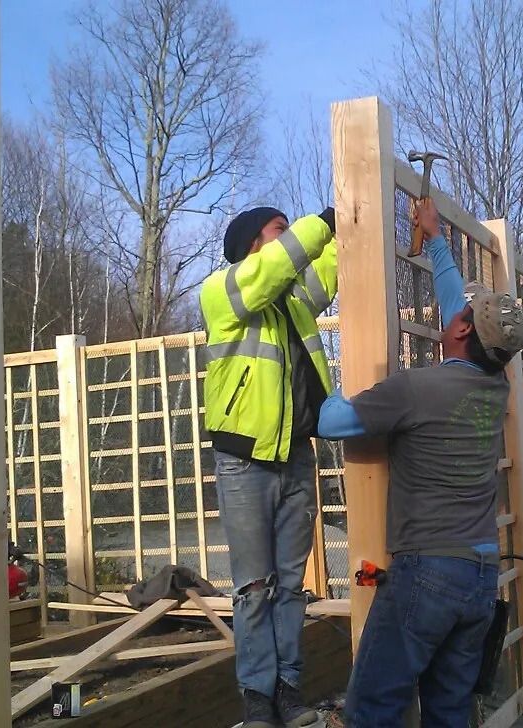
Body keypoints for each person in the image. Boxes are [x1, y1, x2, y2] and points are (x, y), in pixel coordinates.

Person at [318, 198, 523, 727]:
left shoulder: (417, 389)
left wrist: (313, 351)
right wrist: (435, 239)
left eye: (459, 313)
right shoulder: (493, 387)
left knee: (374, 707)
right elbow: (463, 310)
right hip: (481, 577)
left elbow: (332, 422)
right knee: (450, 711)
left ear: (461, 332)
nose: (454, 310)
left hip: (428, 573)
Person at [199, 204, 338, 728]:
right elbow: (282, 263)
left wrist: (351, 221)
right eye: (281, 231)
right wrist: (321, 220)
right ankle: (257, 699)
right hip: (244, 462)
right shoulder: (224, 291)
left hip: (296, 457)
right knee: (253, 587)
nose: (291, 242)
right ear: (254, 244)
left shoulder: (294, 304)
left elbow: (328, 267)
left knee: (289, 586)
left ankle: (288, 690)